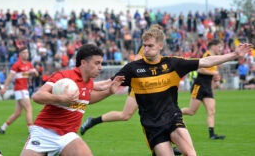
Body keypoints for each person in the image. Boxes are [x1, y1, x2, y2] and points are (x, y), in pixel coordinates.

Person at [91, 25, 252, 156]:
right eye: (144, 46)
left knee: (190, 153)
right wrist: (83, 86)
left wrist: (234, 55)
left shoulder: (173, 64)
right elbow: (107, 84)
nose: (146, 50)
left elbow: (205, 61)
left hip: (173, 119)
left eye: (150, 46)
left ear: (160, 46)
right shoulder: (133, 68)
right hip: (152, 126)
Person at [20, 44, 124, 156]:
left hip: (68, 136)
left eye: (101, 63)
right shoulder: (64, 76)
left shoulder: (88, 82)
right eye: (97, 63)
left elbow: (87, 99)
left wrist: (109, 92)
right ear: (83, 63)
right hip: (44, 132)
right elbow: (37, 96)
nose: (100, 67)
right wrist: (61, 98)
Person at [81, 43, 182, 155]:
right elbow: (136, 62)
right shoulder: (147, 46)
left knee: (150, 112)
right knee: (129, 115)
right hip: (141, 85)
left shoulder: (155, 47)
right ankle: (158, 146)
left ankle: (163, 145)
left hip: (150, 85)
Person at [181, 39, 228, 140]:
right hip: (199, 86)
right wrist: (214, 74)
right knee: (191, 111)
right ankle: (174, 113)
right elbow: (200, 69)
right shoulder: (206, 55)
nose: (220, 49)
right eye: (219, 46)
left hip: (207, 88)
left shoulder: (214, 59)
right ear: (213, 46)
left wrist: (213, 86)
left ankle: (212, 134)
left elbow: (211, 76)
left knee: (211, 111)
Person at [0, 46, 38, 134]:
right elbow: (10, 77)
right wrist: (4, 87)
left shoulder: (29, 64)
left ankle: (2, 128)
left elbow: (36, 75)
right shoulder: (17, 65)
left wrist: (34, 72)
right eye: (24, 53)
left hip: (24, 89)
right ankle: (31, 131)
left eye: (27, 52)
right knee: (29, 108)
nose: (26, 54)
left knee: (18, 113)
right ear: (20, 54)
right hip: (20, 89)